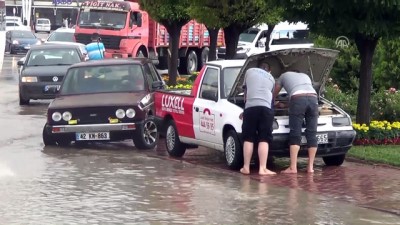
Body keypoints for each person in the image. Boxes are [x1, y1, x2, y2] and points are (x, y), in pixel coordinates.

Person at [273, 70, 319, 173]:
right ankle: (310, 168)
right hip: (313, 98)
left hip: (297, 98)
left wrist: (273, 102)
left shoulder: (283, 75)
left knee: (295, 132)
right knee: (312, 133)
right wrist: (285, 105)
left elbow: (274, 93)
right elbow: (305, 96)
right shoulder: (305, 75)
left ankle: (293, 168)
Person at [240, 61, 276, 176]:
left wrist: (245, 111)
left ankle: (246, 167)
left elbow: (246, 94)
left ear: (258, 67)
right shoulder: (272, 79)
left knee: (248, 137)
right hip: (265, 109)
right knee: (264, 138)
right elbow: (271, 99)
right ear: (269, 70)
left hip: (251, 108)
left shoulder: (249, 71)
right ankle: (263, 168)